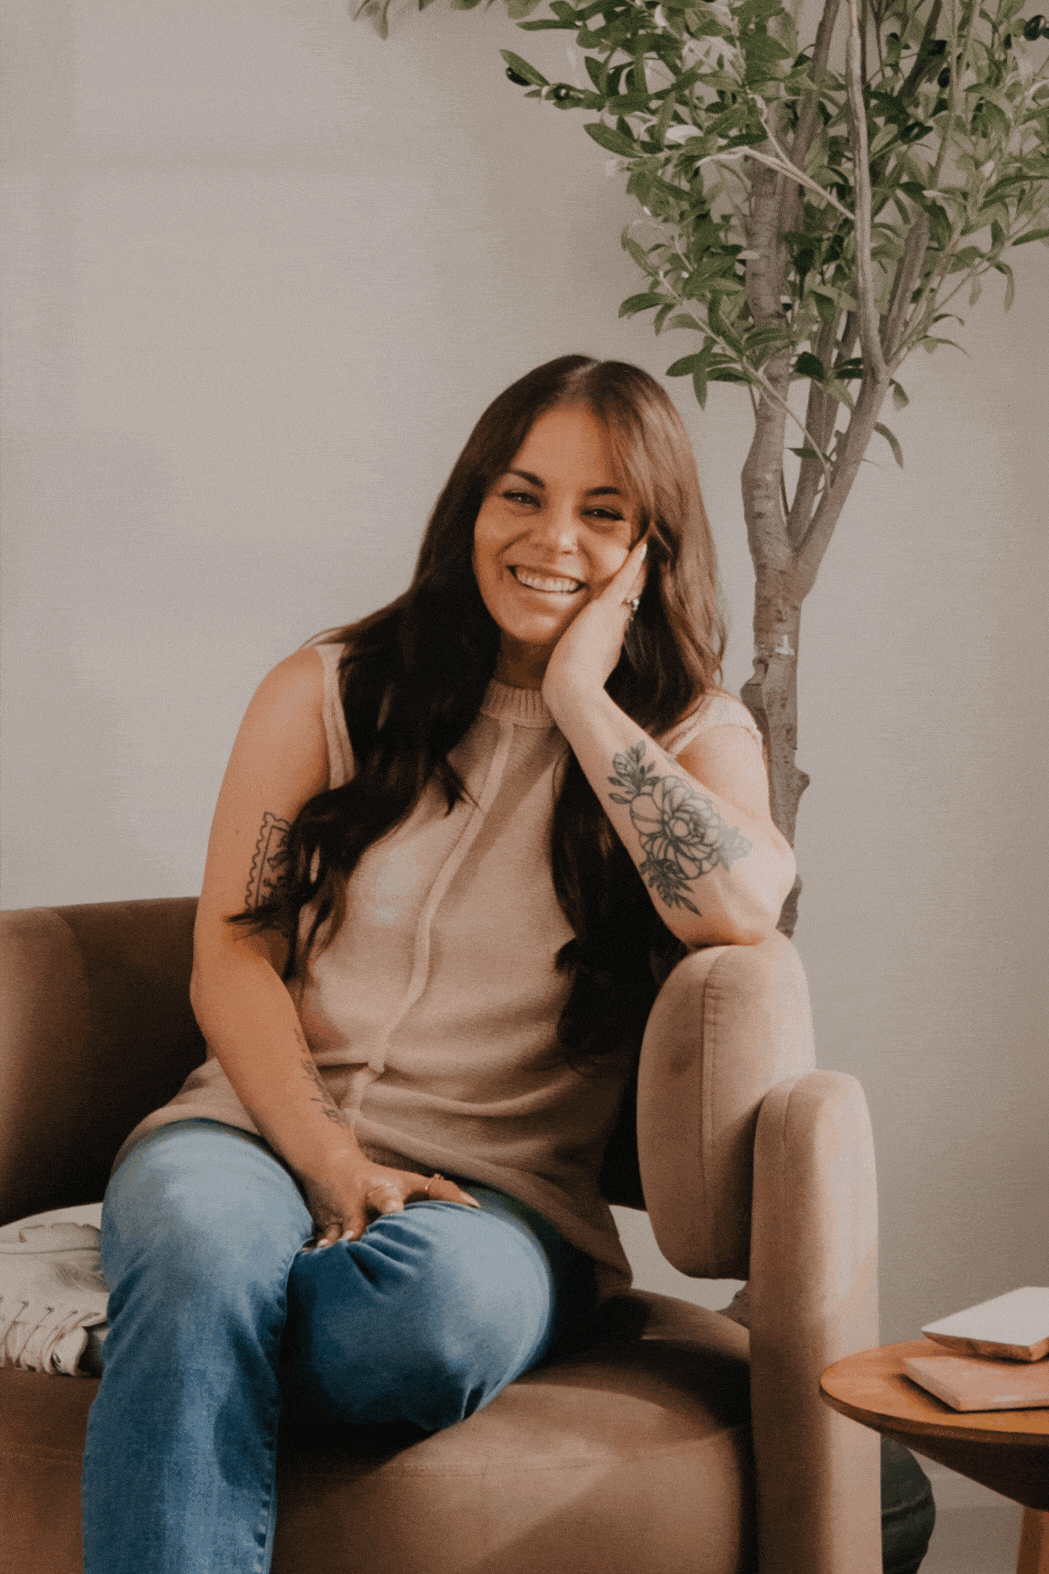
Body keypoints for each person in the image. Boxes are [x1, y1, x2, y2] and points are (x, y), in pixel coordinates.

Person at [80, 355, 796, 1572]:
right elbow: (232, 951)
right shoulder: (330, 689)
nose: (550, 537)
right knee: (198, 1239)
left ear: (650, 550)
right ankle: (189, 1297)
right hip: (247, 1139)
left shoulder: (690, 733)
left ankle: (176, 1328)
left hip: (492, 1212)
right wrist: (329, 1160)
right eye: (520, 494)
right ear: (471, 502)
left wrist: (578, 695)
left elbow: (736, 906)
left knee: (424, 1326)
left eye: (602, 511)